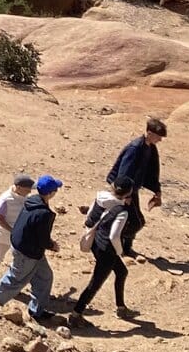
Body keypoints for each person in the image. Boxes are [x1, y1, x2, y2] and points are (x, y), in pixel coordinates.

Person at [0, 174, 63, 322]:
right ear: (51, 193)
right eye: (55, 190)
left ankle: (37, 312)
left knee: (44, 277)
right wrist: (52, 245)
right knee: (16, 279)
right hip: (27, 252)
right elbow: (42, 237)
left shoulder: (31, 201)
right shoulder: (43, 213)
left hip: (29, 248)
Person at [69, 182, 136, 322]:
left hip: (97, 242)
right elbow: (114, 235)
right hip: (108, 250)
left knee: (122, 271)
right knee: (95, 283)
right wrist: (119, 251)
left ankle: (121, 307)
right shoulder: (120, 209)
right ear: (128, 194)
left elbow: (93, 216)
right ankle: (76, 314)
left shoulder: (103, 199)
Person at [107, 116, 166, 256]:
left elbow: (151, 171)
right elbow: (123, 173)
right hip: (124, 190)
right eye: (158, 136)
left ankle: (124, 248)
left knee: (131, 219)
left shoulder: (149, 148)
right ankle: (112, 242)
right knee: (136, 222)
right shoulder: (135, 148)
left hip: (132, 189)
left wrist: (157, 190)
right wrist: (124, 195)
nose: (160, 140)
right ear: (150, 133)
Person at [0, 174, 35, 290]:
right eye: (27, 190)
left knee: (19, 262)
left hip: (19, 237)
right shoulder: (5, 199)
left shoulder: (24, 198)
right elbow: (0, 219)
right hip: (3, 235)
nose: (29, 192)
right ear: (18, 187)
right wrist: (12, 231)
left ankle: (11, 284)